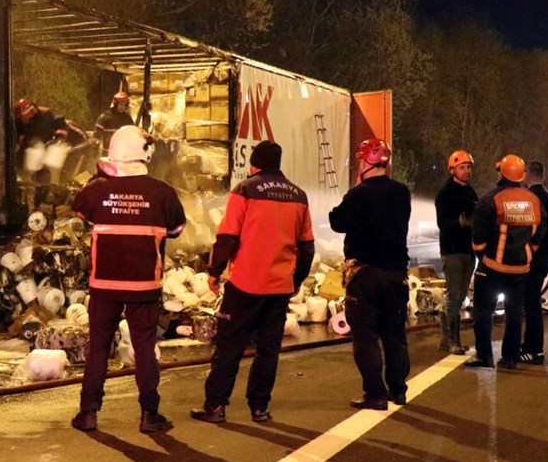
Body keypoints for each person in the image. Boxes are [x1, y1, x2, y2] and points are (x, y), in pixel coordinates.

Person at [70, 126, 186, 433]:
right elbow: (176, 229)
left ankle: (88, 412)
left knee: (98, 347)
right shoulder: (162, 192)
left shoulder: (96, 189)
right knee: (144, 347)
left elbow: (79, 212)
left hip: (104, 284)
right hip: (144, 285)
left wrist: (102, 179)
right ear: (145, 154)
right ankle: (149, 414)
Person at [190, 141, 314, 424]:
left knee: (229, 348)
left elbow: (228, 236)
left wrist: (214, 270)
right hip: (279, 288)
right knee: (268, 351)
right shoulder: (299, 195)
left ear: (254, 163)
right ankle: (259, 408)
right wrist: (294, 280)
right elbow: (307, 247)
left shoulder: (245, 190)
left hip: (245, 285)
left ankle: (216, 406)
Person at [328, 139, 411, 410]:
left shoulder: (358, 195)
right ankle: (398, 390)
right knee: (394, 335)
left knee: (365, 337)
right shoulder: (402, 193)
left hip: (364, 276)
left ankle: (375, 394)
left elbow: (336, 221)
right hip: (396, 275)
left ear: (365, 162)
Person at [466, 154, 546, 370]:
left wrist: (482, 257)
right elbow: (541, 229)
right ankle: (510, 357)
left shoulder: (491, 199)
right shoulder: (533, 200)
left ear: (501, 173)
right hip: (521, 269)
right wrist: (531, 249)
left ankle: (484, 356)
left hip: (492, 267)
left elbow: (478, 236)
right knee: (514, 312)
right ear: (520, 175)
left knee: (483, 311)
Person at [434, 150, 477, 354]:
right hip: (452, 250)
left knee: (460, 296)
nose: (467, 171)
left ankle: (446, 339)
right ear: (452, 170)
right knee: (454, 295)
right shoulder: (445, 193)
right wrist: (461, 222)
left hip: (469, 251)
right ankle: (453, 341)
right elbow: (442, 223)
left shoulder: (471, 193)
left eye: (469, 167)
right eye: (462, 167)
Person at [520, 161, 548, 364]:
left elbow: (530, 229)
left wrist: (533, 248)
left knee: (531, 303)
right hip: (545, 257)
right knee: (532, 301)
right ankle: (532, 347)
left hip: (534, 258)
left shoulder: (532, 198)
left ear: (528, 174)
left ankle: (533, 349)